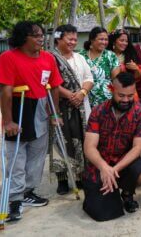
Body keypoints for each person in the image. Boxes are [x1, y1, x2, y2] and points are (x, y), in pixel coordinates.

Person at [0, 21, 63, 222]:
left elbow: (55, 87)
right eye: (35, 35)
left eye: (42, 34)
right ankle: (15, 199)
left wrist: (54, 113)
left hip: (41, 106)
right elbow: (5, 91)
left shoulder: (48, 58)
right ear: (23, 37)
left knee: (37, 154)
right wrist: (8, 121)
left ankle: (28, 191)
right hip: (19, 106)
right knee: (16, 157)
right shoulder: (8, 58)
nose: (41, 38)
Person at [82, 73, 141, 221]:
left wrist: (113, 170)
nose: (126, 100)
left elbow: (138, 147)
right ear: (112, 89)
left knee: (140, 172)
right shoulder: (98, 111)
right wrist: (104, 167)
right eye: (121, 95)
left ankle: (127, 193)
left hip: (123, 163)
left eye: (130, 95)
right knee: (102, 214)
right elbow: (89, 147)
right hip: (100, 163)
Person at [49, 24, 94, 195]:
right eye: (70, 38)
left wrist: (82, 93)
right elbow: (50, 83)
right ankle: (62, 179)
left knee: (80, 140)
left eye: (75, 39)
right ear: (59, 38)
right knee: (60, 141)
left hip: (81, 107)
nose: (73, 42)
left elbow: (89, 78)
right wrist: (70, 95)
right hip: (58, 106)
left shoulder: (79, 58)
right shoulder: (50, 58)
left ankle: (79, 176)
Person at [79, 27, 120, 107]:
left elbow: (115, 79)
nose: (104, 42)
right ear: (92, 40)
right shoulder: (81, 56)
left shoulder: (111, 56)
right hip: (85, 97)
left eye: (106, 39)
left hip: (106, 98)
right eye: (101, 39)